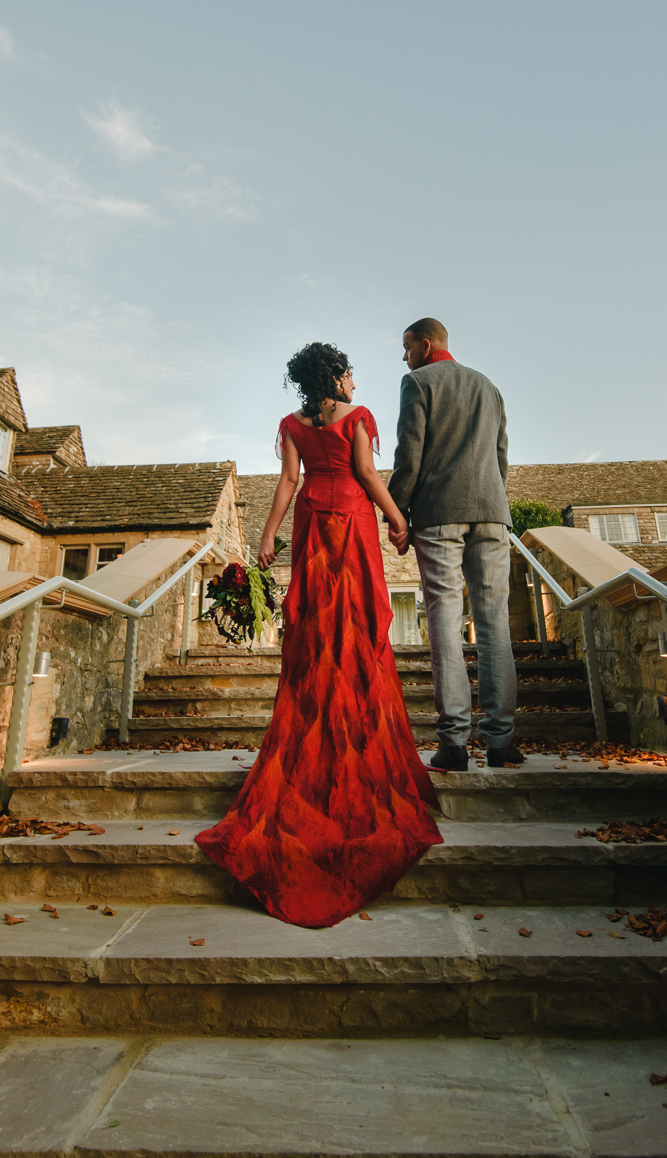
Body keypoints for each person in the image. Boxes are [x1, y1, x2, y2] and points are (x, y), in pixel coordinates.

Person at [195, 341, 442, 929]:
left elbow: (287, 482)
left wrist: (266, 536)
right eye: (351, 372)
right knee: (356, 628)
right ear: (335, 376)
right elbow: (364, 472)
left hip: (311, 526)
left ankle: (319, 719)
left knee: (317, 631)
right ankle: (354, 723)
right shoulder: (357, 419)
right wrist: (397, 518)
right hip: (352, 525)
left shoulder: (290, 424)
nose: (356, 381)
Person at [388, 316, 522, 772]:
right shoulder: (488, 386)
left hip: (438, 514)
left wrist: (398, 512)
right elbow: (501, 456)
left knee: (445, 621)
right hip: (491, 513)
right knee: (493, 622)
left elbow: (410, 454)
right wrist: (491, 501)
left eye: (406, 348)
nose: (403, 357)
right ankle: (502, 742)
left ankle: (455, 743)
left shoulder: (417, 383)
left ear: (426, 346)